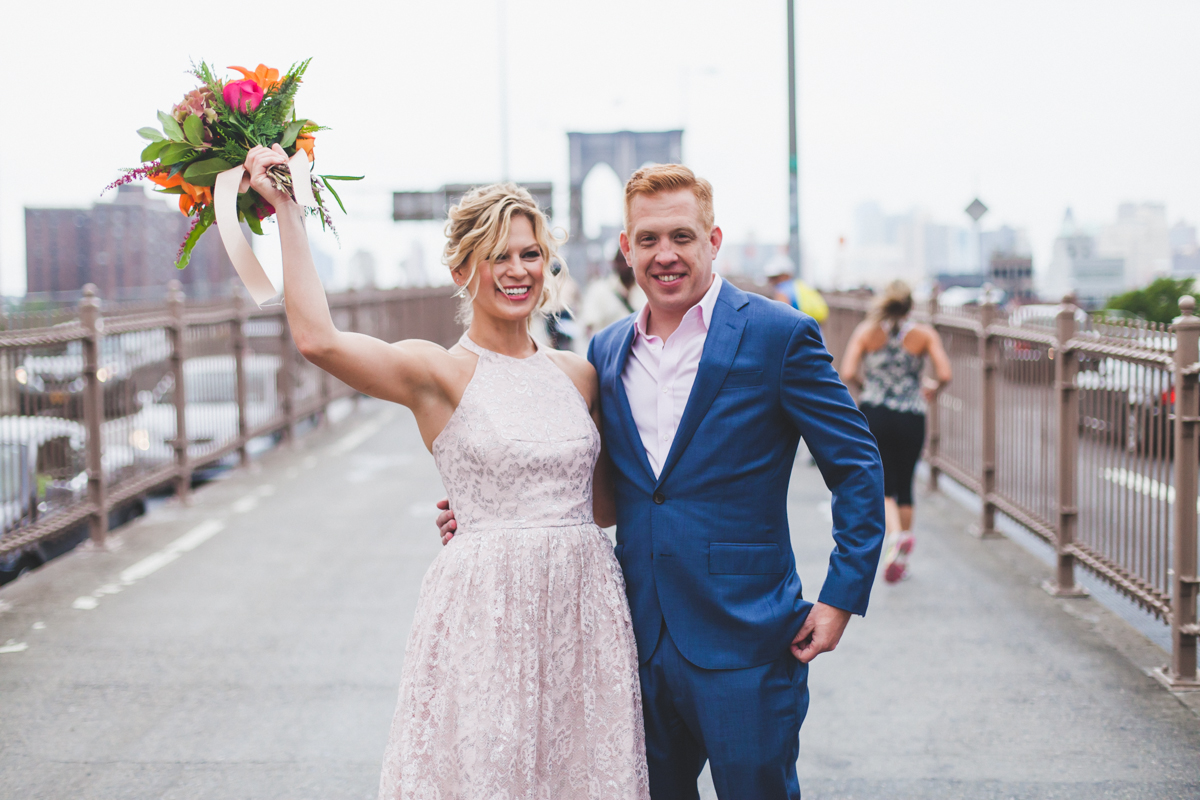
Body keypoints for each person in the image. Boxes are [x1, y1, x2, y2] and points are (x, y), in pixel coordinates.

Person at [440, 164, 885, 800]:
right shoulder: (605, 352)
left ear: (713, 239)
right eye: (648, 239)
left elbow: (858, 464)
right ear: (626, 248)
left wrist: (842, 596)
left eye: (681, 236)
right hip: (634, 645)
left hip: (749, 643)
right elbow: (588, 482)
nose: (665, 254)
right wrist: (485, 510)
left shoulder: (778, 335)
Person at [241, 145, 649, 799]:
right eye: (498, 256)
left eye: (530, 254)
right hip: (484, 609)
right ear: (464, 269)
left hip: (584, 607)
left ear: (547, 266)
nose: (517, 271)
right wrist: (289, 209)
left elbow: (602, 506)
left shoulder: (581, 375)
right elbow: (318, 340)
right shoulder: (438, 372)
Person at [838, 280, 952, 583]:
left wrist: (869, 390)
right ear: (910, 305)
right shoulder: (923, 334)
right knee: (905, 483)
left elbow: (848, 372)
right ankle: (902, 552)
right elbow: (945, 373)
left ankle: (896, 536)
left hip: (875, 413)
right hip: (911, 414)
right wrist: (931, 390)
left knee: (882, 483)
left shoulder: (866, 331)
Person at [581, 247, 647, 337]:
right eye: (621, 261)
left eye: (629, 260)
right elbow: (590, 326)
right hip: (610, 349)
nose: (625, 265)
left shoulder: (646, 290)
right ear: (614, 263)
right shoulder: (599, 290)